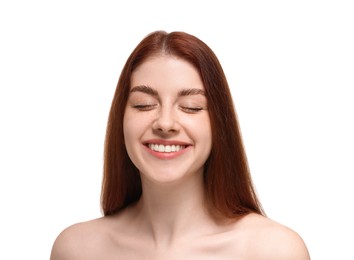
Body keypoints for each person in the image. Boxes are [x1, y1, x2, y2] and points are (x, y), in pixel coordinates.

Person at [50, 30, 310, 259]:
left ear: (220, 124)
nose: (165, 123)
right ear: (121, 118)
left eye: (191, 107)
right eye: (144, 104)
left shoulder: (275, 251)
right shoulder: (75, 250)